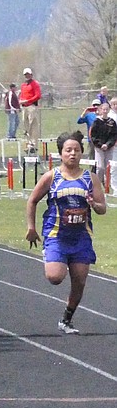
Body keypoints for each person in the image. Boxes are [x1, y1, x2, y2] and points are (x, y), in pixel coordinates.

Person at [25, 130, 107, 334]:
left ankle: (66, 319)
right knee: (55, 277)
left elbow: (102, 208)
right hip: (56, 236)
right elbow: (32, 201)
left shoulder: (91, 178)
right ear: (60, 153)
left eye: (77, 150)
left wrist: (93, 204)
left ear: (82, 153)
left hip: (81, 237)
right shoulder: (51, 177)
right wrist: (31, 228)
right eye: (68, 150)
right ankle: (53, 256)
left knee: (79, 281)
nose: (73, 154)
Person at [89, 101, 117, 190]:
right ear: (100, 110)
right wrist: (100, 145)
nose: (105, 111)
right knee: (100, 167)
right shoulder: (97, 121)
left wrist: (108, 145)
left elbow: (114, 135)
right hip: (99, 148)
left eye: (106, 109)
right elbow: (93, 135)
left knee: (108, 168)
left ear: (109, 110)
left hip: (109, 147)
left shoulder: (112, 122)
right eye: (103, 109)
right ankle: (96, 187)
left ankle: (107, 187)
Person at [20, 67, 42, 149]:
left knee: (32, 124)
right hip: (24, 107)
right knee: (25, 125)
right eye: (26, 74)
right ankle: (28, 143)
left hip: (32, 106)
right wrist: (21, 101)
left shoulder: (35, 84)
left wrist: (28, 101)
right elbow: (22, 95)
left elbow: (38, 95)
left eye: (28, 74)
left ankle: (34, 144)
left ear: (31, 75)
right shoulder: (23, 85)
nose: (27, 76)